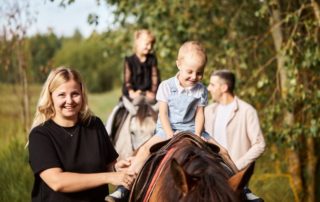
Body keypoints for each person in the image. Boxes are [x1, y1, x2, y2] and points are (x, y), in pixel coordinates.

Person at [106, 41, 237, 202]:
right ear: (179, 65)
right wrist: (170, 135)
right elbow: (163, 114)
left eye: (199, 73)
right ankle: (123, 188)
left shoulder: (201, 89)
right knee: (144, 150)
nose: (194, 77)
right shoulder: (166, 86)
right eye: (190, 71)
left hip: (192, 129)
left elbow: (200, 114)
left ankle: (242, 189)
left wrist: (197, 135)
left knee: (223, 151)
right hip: (167, 129)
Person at [28, 67, 136, 202]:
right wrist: (109, 177)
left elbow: (109, 164)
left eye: (75, 94)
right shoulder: (40, 135)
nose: (69, 101)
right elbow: (57, 182)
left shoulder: (94, 125)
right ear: (51, 97)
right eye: (62, 95)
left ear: (82, 94)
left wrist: (117, 168)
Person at [205, 69, 266, 201]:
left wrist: (236, 167)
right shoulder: (208, 111)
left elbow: (260, 144)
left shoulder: (247, 111)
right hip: (210, 174)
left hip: (235, 178)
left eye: (212, 85)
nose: (208, 88)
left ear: (224, 87)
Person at [106, 29, 160, 141]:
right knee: (117, 111)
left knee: (162, 110)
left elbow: (155, 77)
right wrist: (131, 92)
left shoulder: (152, 59)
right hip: (132, 95)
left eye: (151, 44)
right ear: (137, 42)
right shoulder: (129, 60)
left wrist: (153, 92)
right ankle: (109, 135)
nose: (149, 47)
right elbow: (127, 80)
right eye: (147, 43)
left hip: (148, 95)